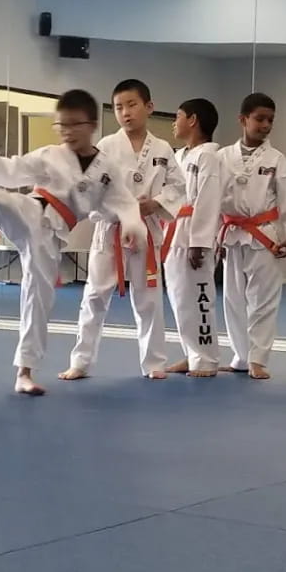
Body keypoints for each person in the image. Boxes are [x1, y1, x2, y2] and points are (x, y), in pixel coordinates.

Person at [0, 89, 143, 395]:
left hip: (52, 238)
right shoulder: (50, 155)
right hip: (33, 209)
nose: (66, 132)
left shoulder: (107, 170)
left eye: (73, 125)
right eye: (61, 125)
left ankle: (24, 373)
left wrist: (132, 225)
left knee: (38, 298)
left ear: (92, 125)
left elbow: (125, 203)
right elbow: (13, 170)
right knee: (2, 201)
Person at [60, 79, 185, 381]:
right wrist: (121, 209)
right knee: (94, 295)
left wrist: (155, 204)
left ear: (149, 107)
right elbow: (89, 190)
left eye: (132, 105)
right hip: (111, 231)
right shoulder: (105, 147)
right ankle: (81, 361)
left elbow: (179, 187)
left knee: (149, 299)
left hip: (147, 231)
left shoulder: (163, 148)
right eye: (118, 107)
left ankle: (154, 362)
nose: (125, 112)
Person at [218, 93, 286, 380]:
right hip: (231, 233)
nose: (266, 125)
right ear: (242, 119)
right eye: (259, 119)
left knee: (263, 300)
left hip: (264, 235)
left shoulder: (276, 159)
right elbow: (210, 199)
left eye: (270, 120)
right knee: (233, 298)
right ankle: (241, 356)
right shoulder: (221, 157)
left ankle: (258, 358)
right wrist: (209, 237)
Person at [162, 98, 223, 377]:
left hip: (193, 234)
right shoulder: (180, 156)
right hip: (174, 230)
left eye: (178, 116)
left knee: (198, 297)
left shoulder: (209, 155)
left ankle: (206, 358)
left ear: (193, 120)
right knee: (179, 297)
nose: (174, 122)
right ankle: (191, 352)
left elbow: (208, 200)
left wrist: (200, 242)